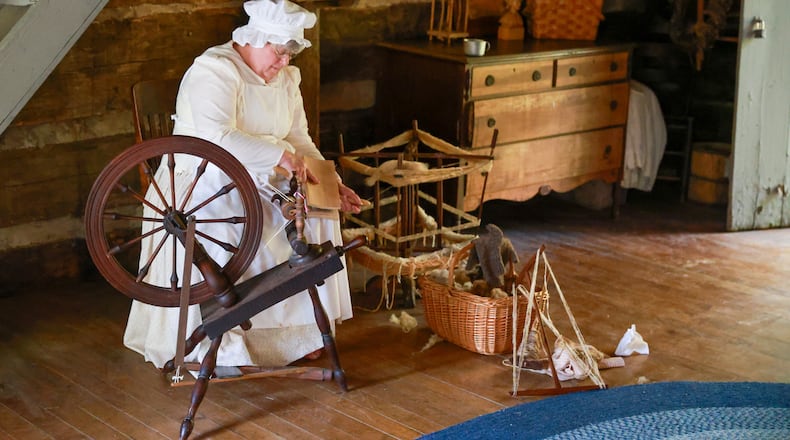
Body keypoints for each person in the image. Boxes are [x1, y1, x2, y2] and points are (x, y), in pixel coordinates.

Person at [123, 0, 363, 369]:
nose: (284, 63)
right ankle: (228, 342)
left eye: (289, 55)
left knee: (316, 213)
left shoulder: (285, 79)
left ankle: (293, 336)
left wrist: (331, 184)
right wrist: (279, 157)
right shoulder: (215, 71)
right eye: (279, 52)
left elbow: (300, 139)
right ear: (256, 38)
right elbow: (216, 137)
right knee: (229, 214)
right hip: (204, 176)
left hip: (264, 179)